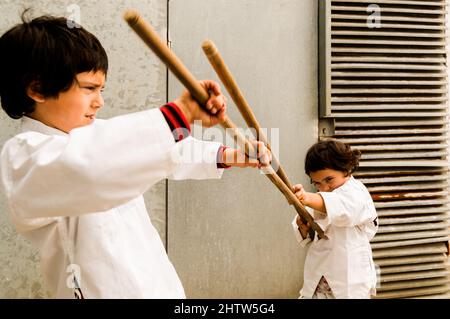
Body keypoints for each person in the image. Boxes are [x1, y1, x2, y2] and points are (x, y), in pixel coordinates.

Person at [0, 13, 271, 298]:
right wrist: (180, 114)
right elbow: (90, 168)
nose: (100, 101)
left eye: (101, 89)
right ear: (38, 88)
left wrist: (229, 154)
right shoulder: (25, 157)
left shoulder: (98, 137)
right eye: (89, 88)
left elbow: (167, 150)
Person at [291, 139, 378, 299]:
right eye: (317, 183)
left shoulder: (356, 192)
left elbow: (342, 209)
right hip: (320, 276)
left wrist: (307, 197)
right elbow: (309, 220)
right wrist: (303, 227)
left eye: (329, 180)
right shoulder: (321, 197)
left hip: (350, 275)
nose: (324, 187)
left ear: (346, 168)